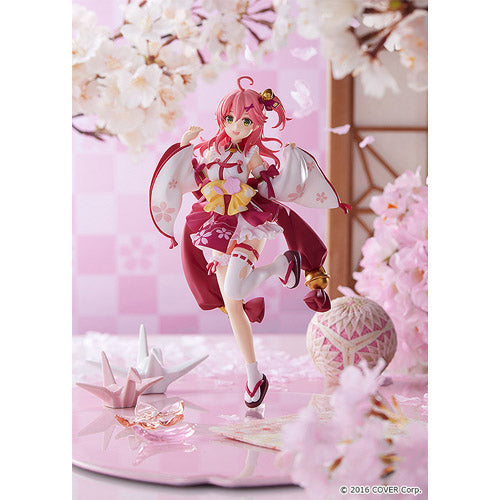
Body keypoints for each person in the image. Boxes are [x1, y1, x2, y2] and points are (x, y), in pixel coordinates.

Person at [150, 76, 350, 408]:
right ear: (221, 118)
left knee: (234, 290)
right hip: (215, 229)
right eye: (230, 118)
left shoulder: (252, 154)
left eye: (245, 121)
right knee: (233, 306)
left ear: (257, 123)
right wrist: (184, 147)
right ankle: (253, 374)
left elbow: (267, 187)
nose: (236, 126)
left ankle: (280, 266)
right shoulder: (210, 151)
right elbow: (194, 179)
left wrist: (284, 169)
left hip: (247, 224)